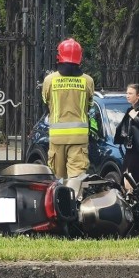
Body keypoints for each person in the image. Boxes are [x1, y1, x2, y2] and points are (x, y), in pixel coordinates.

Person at [41, 38, 95, 179]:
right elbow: (89, 106)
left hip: (57, 137)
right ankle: (75, 201)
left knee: (57, 180)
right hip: (79, 138)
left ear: (59, 56)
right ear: (80, 58)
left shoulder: (49, 80)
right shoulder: (88, 81)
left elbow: (46, 104)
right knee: (76, 180)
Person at [113, 83, 139, 185]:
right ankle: (133, 197)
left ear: (138, 95)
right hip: (131, 149)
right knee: (127, 176)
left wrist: (135, 117)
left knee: (134, 176)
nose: (127, 95)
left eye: (131, 93)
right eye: (127, 93)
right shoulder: (132, 109)